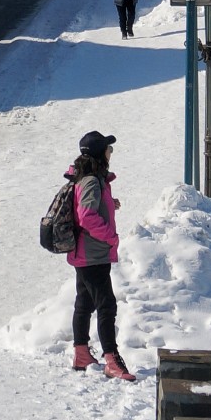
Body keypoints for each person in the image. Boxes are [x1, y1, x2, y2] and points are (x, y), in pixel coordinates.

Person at [65, 128, 134, 380]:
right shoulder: (93, 180)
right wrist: (110, 236)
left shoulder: (84, 177)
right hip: (93, 254)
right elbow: (86, 216)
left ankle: (81, 352)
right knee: (107, 305)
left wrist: (109, 204)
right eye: (109, 149)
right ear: (100, 153)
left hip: (83, 253)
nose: (111, 153)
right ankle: (111, 359)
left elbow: (86, 207)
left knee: (84, 303)